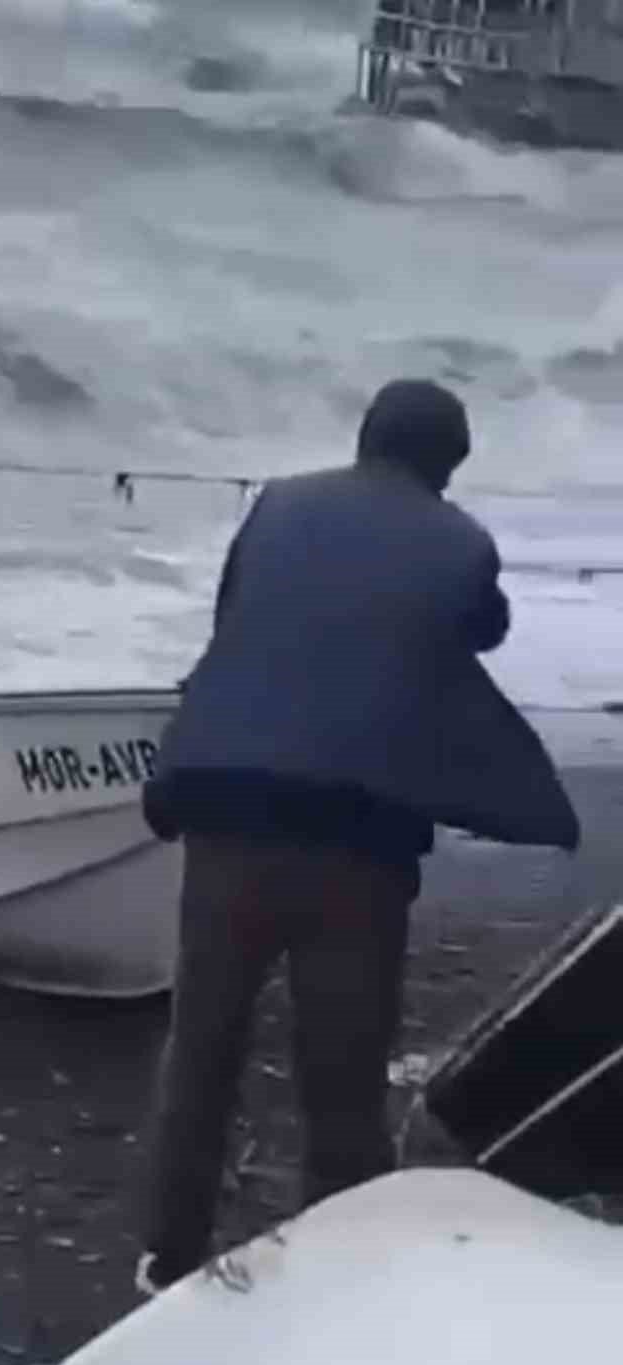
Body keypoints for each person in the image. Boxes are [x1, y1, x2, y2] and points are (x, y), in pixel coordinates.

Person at [137, 379, 579, 1295]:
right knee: (340, 1076)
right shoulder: (460, 542)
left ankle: (168, 1260)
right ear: (449, 464)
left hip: (226, 809)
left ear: (364, 435)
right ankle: (335, 1281)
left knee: (202, 1049)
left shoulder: (278, 504)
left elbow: (235, 618)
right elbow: (481, 630)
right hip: (357, 841)